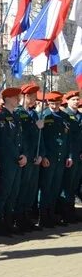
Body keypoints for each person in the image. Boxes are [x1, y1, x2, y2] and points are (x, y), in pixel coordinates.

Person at [0, 87, 28, 236]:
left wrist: (24, 154)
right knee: (4, 193)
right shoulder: (1, 118)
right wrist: (17, 155)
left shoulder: (16, 117)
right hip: (7, 161)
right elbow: (4, 142)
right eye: (15, 97)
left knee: (14, 193)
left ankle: (9, 222)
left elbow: (21, 139)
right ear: (7, 99)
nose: (18, 100)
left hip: (17, 160)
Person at [13, 84, 45, 232]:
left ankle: (26, 217)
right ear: (25, 96)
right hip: (25, 155)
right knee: (23, 188)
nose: (34, 98)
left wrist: (41, 154)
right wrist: (35, 127)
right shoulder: (18, 113)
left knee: (31, 189)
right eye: (31, 96)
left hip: (34, 156)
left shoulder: (33, 114)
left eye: (34, 96)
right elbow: (23, 135)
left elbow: (40, 137)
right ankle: (18, 219)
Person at [39, 91, 72, 227]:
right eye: (52, 103)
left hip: (61, 156)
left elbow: (68, 138)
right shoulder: (44, 115)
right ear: (48, 103)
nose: (54, 105)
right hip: (49, 156)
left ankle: (51, 214)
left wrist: (69, 156)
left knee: (56, 187)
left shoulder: (65, 116)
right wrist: (44, 155)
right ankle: (43, 216)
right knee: (46, 187)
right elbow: (41, 138)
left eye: (57, 103)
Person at [60, 91, 81, 223]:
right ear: (67, 101)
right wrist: (70, 155)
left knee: (74, 185)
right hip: (68, 155)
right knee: (66, 185)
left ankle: (71, 211)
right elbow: (65, 139)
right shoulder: (65, 115)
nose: (76, 101)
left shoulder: (79, 116)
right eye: (73, 99)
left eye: (77, 99)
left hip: (79, 155)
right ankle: (64, 213)